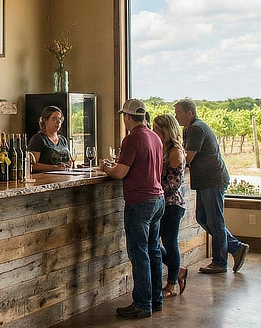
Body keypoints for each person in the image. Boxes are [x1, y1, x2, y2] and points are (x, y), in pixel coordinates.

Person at [101, 99, 165, 319]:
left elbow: (120, 173)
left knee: (139, 254)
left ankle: (142, 303)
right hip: (158, 199)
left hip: (139, 201)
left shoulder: (132, 138)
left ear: (127, 117)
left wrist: (106, 167)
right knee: (154, 250)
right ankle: (156, 299)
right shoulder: (155, 137)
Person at [173, 98, 249, 274]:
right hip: (207, 181)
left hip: (213, 180)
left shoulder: (196, 129)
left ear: (189, 113)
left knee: (215, 221)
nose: (176, 116)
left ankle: (220, 262)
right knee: (203, 218)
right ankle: (236, 248)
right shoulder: (190, 129)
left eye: (178, 113)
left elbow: (187, 158)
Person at [151, 113, 189, 297]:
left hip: (172, 204)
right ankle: (178, 270)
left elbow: (173, 183)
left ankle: (172, 284)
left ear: (166, 131)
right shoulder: (162, 148)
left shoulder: (175, 152)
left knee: (169, 243)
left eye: (157, 129)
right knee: (152, 243)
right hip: (162, 202)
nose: (153, 132)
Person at [28, 105, 73, 172]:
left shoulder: (63, 140)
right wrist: (55, 167)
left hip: (64, 177)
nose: (58, 122)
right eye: (54, 119)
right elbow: (32, 165)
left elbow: (68, 161)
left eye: (60, 119)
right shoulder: (38, 139)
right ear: (45, 120)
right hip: (45, 179)